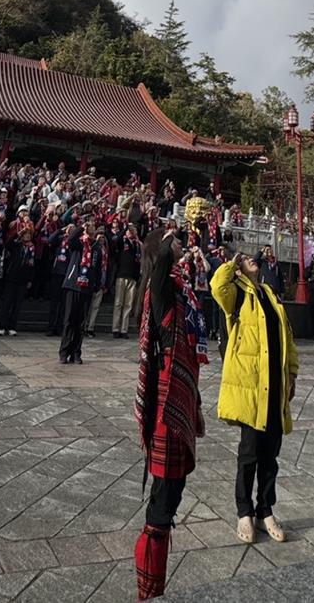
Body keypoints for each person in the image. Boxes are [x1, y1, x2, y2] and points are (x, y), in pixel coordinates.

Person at [133, 226, 208, 599]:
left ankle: (155, 584)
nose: (180, 241)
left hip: (181, 399)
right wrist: (165, 240)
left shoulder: (182, 292)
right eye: (173, 237)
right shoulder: (160, 291)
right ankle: (149, 590)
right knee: (161, 507)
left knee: (172, 493)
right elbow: (162, 260)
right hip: (166, 406)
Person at [212, 247, 299, 545]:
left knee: (270, 455)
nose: (251, 259)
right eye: (245, 259)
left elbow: (288, 337)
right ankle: (244, 512)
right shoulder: (235, 295)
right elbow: (216, 286)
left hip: (275, 386)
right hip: (250, 386)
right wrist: (231, 264)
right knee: (248, 452)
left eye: (251, 259)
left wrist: (293, 374)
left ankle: (266, 510)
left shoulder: (271, 297)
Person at [59, 221, 105, 364]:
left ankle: (76, 352)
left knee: (81, 323)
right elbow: (71, 239)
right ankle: (64, 351)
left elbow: (98, 268)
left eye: (92, 228)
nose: (91, 230)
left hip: (87, 288)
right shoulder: (78, 244)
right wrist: (81, 228)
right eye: (89, 228)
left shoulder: (97, 248)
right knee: (69, 320)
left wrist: (97, 284)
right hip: (74, 285)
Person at [111, 222, 142, 338]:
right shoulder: (122, 242)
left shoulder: (137, 245)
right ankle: (115, 328)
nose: (132, 232)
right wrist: (125, 228)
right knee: (119, 303)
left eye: (133, 230)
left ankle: (124, 329)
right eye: (130, 231)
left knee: (128, 305)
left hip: (132, 277)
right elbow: (116, 240)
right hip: (121, 275)